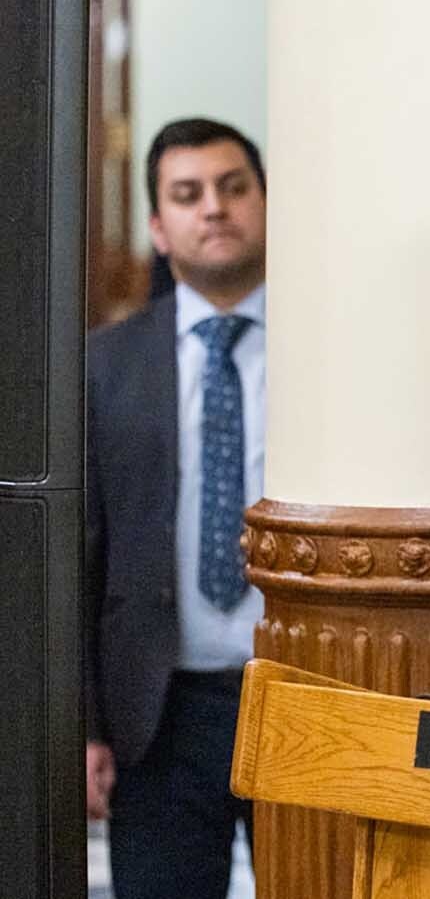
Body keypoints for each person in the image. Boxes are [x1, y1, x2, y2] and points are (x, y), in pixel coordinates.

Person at [84, 117, 267, 899]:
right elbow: (82, 555)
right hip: (158, 712)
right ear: (159, 227)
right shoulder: (106, 364)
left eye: (233, 188)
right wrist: (86, 725)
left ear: (266, 202)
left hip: (301, 692)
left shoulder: (329, 351)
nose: (214, 210)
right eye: (187, 196)